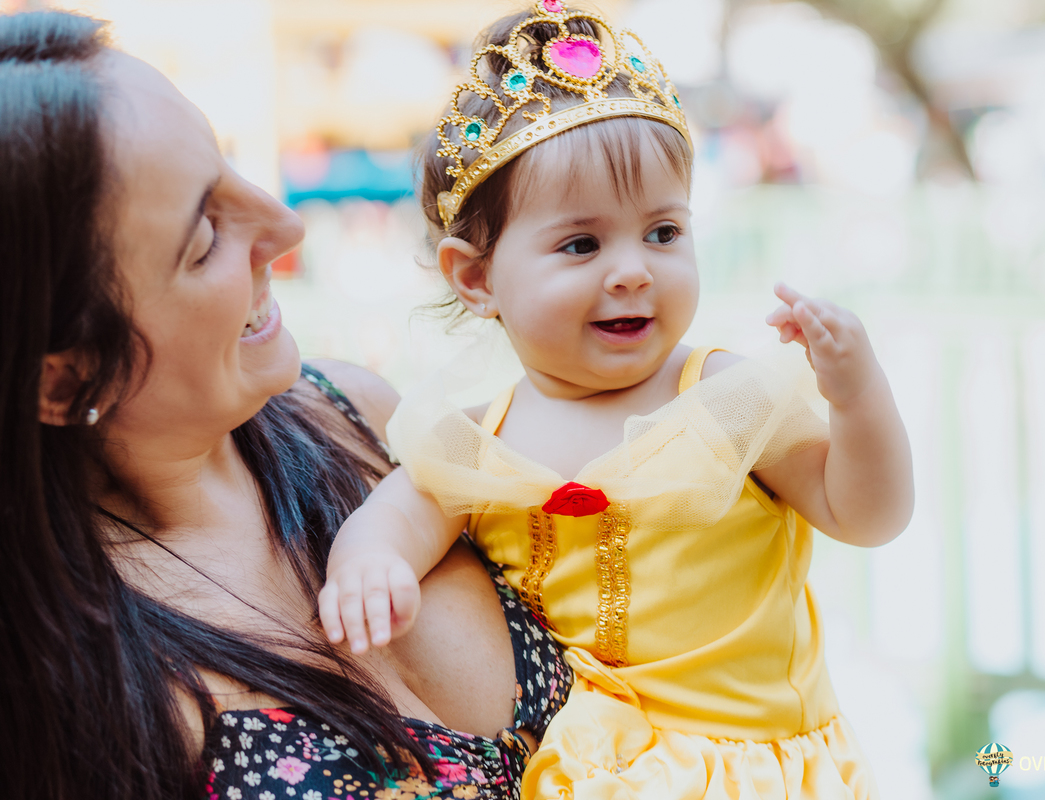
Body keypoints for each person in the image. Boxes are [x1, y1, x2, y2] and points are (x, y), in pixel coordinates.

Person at [322, 2, 914, 798]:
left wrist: (858, 397)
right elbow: (394, 518)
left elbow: (867, 514)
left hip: (749, 765)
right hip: (589, 767)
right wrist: (367, 567)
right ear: (475, 277)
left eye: (664, 233)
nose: (634, 270)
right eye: (582, 244)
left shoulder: (724, 396)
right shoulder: (477, 441)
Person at [0, 10, 570, 800]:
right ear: (63, 380)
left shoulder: (362, 415)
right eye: (204, 240)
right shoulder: (69, 692)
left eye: (228, 165)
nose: (284, 223)